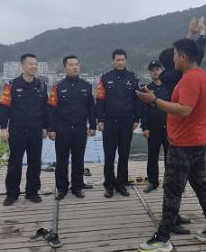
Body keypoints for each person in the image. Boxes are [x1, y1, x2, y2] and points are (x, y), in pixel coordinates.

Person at [136, 38, 206, 252]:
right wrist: (195, 34)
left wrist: (153, 101)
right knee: (201, 185)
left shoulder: (191, 79)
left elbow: (184, 110)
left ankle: (162, 238)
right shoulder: (202, 74)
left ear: (183, 56)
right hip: (198, 141)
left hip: (185, 144)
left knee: (172, 189)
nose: (172, 59)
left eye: (174, 55)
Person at [0, 53, 48, 206]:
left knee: (34, 162)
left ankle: (32, 192)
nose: (34, 66)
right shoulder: (11, 85)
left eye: (36, 64)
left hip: (35, 130)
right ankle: (12, 194)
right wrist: (3, 127)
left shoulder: (41, 85)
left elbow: (45, 108)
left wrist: (45, 126)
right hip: (17, 130)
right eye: (31, 64)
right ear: (23, 66)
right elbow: (4, 107)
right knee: (15, 162)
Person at [47, 55, 96, 199]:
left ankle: (77, 187)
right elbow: (51, 109)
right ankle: (62, 188)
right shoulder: (58, 87)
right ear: (65, 68)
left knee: (78, 159)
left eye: (77, 64)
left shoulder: (86, 86)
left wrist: (92, 125)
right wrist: (51, 128)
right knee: (61, 160)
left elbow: (91, 108)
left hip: (80, 128)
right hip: (63, 129)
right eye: (71, 65)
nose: (75, 67)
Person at [96, 49, 140, 198]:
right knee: (109, 155)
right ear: (113, 61)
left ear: (126, 60)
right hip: (109, 123)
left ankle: (121, 184)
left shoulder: (133, 78)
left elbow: (137, 100)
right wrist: (100, 120)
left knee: (124, 154)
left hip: (127, 122)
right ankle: (109, 185)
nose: (120, 62)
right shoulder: (105, 78)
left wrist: (136, 119)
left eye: (122, 60)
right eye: (117, 60)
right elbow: (100, 100)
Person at [140, 60, 167, 194]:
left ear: (162, 71)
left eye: (158, 69)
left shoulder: (169, 87)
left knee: (170, 157)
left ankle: (170, 183)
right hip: (153, 129)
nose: (155, 71)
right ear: (149, 73)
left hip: (169, 129)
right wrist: (144, 127)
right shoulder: (147, 89)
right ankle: (153, 182)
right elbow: (143, 111)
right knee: (152, 157)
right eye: (152, 69)